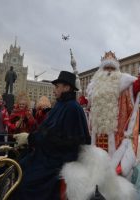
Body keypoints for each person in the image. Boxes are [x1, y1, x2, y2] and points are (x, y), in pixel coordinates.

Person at [13, 71, 91, 200]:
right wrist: (31, 137)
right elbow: (46, 131)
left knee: (27, 181)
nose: (54, 90)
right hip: (48, 154)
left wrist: (29, 139)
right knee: (21, 163)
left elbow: (62, 141)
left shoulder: (72, 108)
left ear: (66, 87)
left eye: (57, 86)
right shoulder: (61, 104)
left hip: (57, 160)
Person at [87, 51, 140, 176]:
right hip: (97, 136)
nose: (109, 71)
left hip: (117, 137)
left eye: (112, 68)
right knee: (96, 170)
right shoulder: (94, 87)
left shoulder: (124, 83)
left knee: (114, 173)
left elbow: (138, 85)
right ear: (101, 69)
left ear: (117, 69)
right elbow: (87, 103)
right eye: (106, 68)